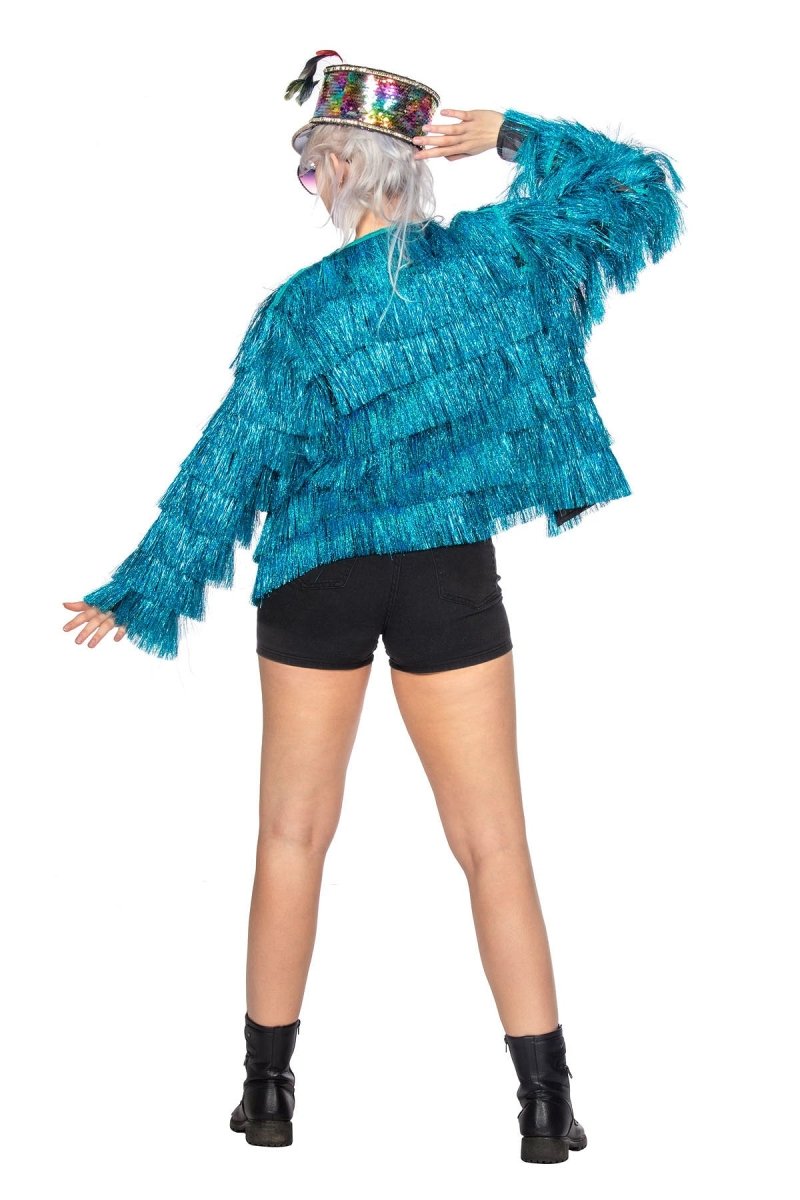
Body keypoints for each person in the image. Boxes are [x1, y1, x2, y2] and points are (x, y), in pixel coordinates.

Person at [62, 52, 684, 1164]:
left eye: (311, 167)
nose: (311, 184)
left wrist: (141, 586)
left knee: (291, 835)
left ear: (346, 168)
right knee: (494, 843)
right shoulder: (503, 258)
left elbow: (228, 465)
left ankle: (266, 1097)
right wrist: (511, 133)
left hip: (317, 576)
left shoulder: (300, 314)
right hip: (447, 573)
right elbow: (635, 187)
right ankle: (545, 1108)